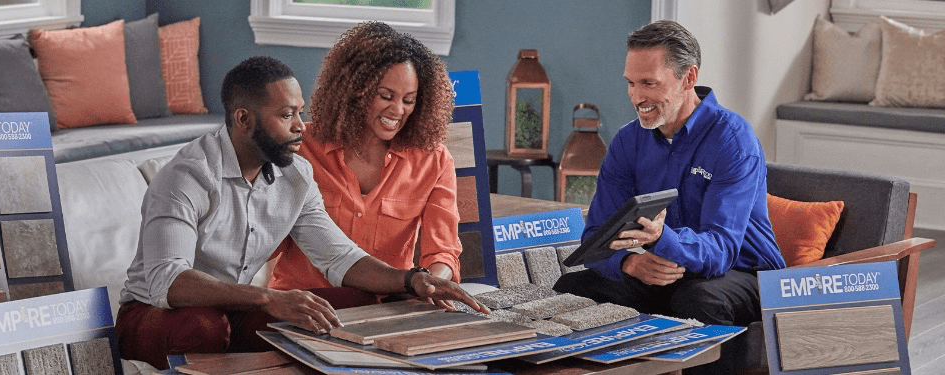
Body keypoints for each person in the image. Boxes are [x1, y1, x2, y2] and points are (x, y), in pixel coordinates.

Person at [115, 55, 487, 370]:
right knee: (205, 328)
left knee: (362, 301)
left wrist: (410, 280)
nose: (300, 126)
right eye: (286, 115)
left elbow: (340, 258)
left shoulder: (296, 175)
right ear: (244, 119)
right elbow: (169, 281)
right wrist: (268, 299)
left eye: (301, 112)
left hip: (235, 309)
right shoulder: (185, 177)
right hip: (154, 314)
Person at [551, 20, 785, 373]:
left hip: (744, 273)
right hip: (666, 270)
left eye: (649, 83)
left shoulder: (733, 140)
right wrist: (630, 263)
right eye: (631, 83)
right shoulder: (628, 142)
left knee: (698, 299)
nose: (635, 96)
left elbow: (721, 249)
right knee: (573, 287)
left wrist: (662, 239)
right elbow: (596, 236)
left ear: (688, 78)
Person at [267, 21, 461, 307]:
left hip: (385, 308)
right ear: (354, 90)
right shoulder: (301, 147)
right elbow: (263, 241)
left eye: (409, 100)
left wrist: (432, 285)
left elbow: (442, 252)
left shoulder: (434, 160)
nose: (397, 110)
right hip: (304, 305)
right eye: (386, 96)